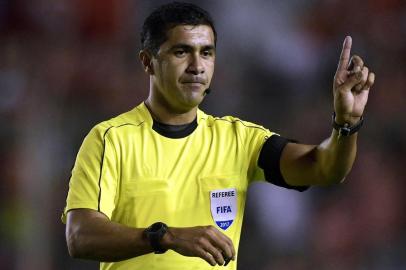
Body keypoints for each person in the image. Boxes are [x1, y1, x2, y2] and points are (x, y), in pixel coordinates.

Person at [62, 2, 375, 269]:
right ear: (148, 62)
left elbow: (326, 168)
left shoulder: (239, 141)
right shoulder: (110, 140)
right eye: (182, 51)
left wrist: (346, 123)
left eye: (207, 52)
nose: (197, 66)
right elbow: (80, 236)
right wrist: (166, 237)